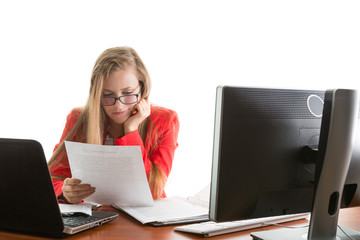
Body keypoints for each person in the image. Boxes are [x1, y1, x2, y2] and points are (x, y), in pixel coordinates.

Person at [48, 46, 179, 204]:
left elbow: (153, 191)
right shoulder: (78, 119)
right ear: (96, 95)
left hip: (143, 221)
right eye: (107, 96)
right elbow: (50, 179)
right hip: (94, 217)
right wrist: (65, 191)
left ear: (142, 88)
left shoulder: (165, 120)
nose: (118, 106)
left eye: (128, 93)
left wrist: (130, 132)